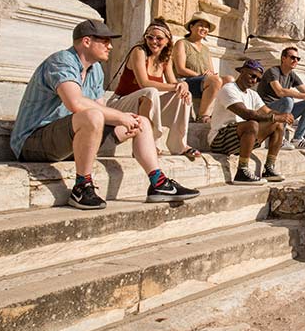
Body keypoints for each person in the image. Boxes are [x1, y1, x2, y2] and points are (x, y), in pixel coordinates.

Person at [10, 19, 199, 210]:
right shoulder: (61, 61)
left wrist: (127, 120)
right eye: (105, 41)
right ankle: (82, 187)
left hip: (72, 141)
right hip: (34, 141)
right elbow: (75, 103)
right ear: (86, 42)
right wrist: (120, 117)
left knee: (139, 121)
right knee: (93, 116)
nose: (110, 46)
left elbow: (101, 107)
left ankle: (159, 183)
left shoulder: (96, 70)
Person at [107, 19, 200, 160]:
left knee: (183, 96)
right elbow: (144, 83)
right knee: (151, 91)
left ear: (168, 41)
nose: (154, 41)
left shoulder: (165, 58)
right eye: (150, 37)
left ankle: (179, 145)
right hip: (120, 103)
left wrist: (183, 86)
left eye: (159, 38)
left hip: (144, 104)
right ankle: (145, 143)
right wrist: (177, 86)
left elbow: (173, 82)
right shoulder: (139, 51)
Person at [208, 59, 294, 184]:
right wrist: (274, 117)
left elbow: (267, 111)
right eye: (252, 76)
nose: (254, 81)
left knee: (278, 124)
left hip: (241, 136)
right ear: (242, 71)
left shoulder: (252, 94)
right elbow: (246, 114)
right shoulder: (229, 89)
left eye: (258, 79)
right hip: (220, 138)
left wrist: (284, 116)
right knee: (252, 124)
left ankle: (269, 168)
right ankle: (242, 171)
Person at [258, 47, 305, 150]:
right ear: (283, 58)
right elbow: (280, 91)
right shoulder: (273, 71)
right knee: (288, 100)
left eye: (298, 59)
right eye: (292, 57)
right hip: (267, 111)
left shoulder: (292, 75)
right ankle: (279, 138)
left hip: (282, 110)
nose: (295, 61)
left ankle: (298, 139)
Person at [172, 13, 234, 121]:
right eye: (200, 25)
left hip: (203, 82)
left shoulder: (206, 49)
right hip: (186, 81)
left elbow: (211, 72)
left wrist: (209, 75)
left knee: (229, 79)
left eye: (206, 27)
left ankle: (225, 114)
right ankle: (203, 115)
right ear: (192, 27)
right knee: (214, 80)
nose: (204, 29)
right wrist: (201, 75)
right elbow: (180, 69)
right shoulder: (182, 43)